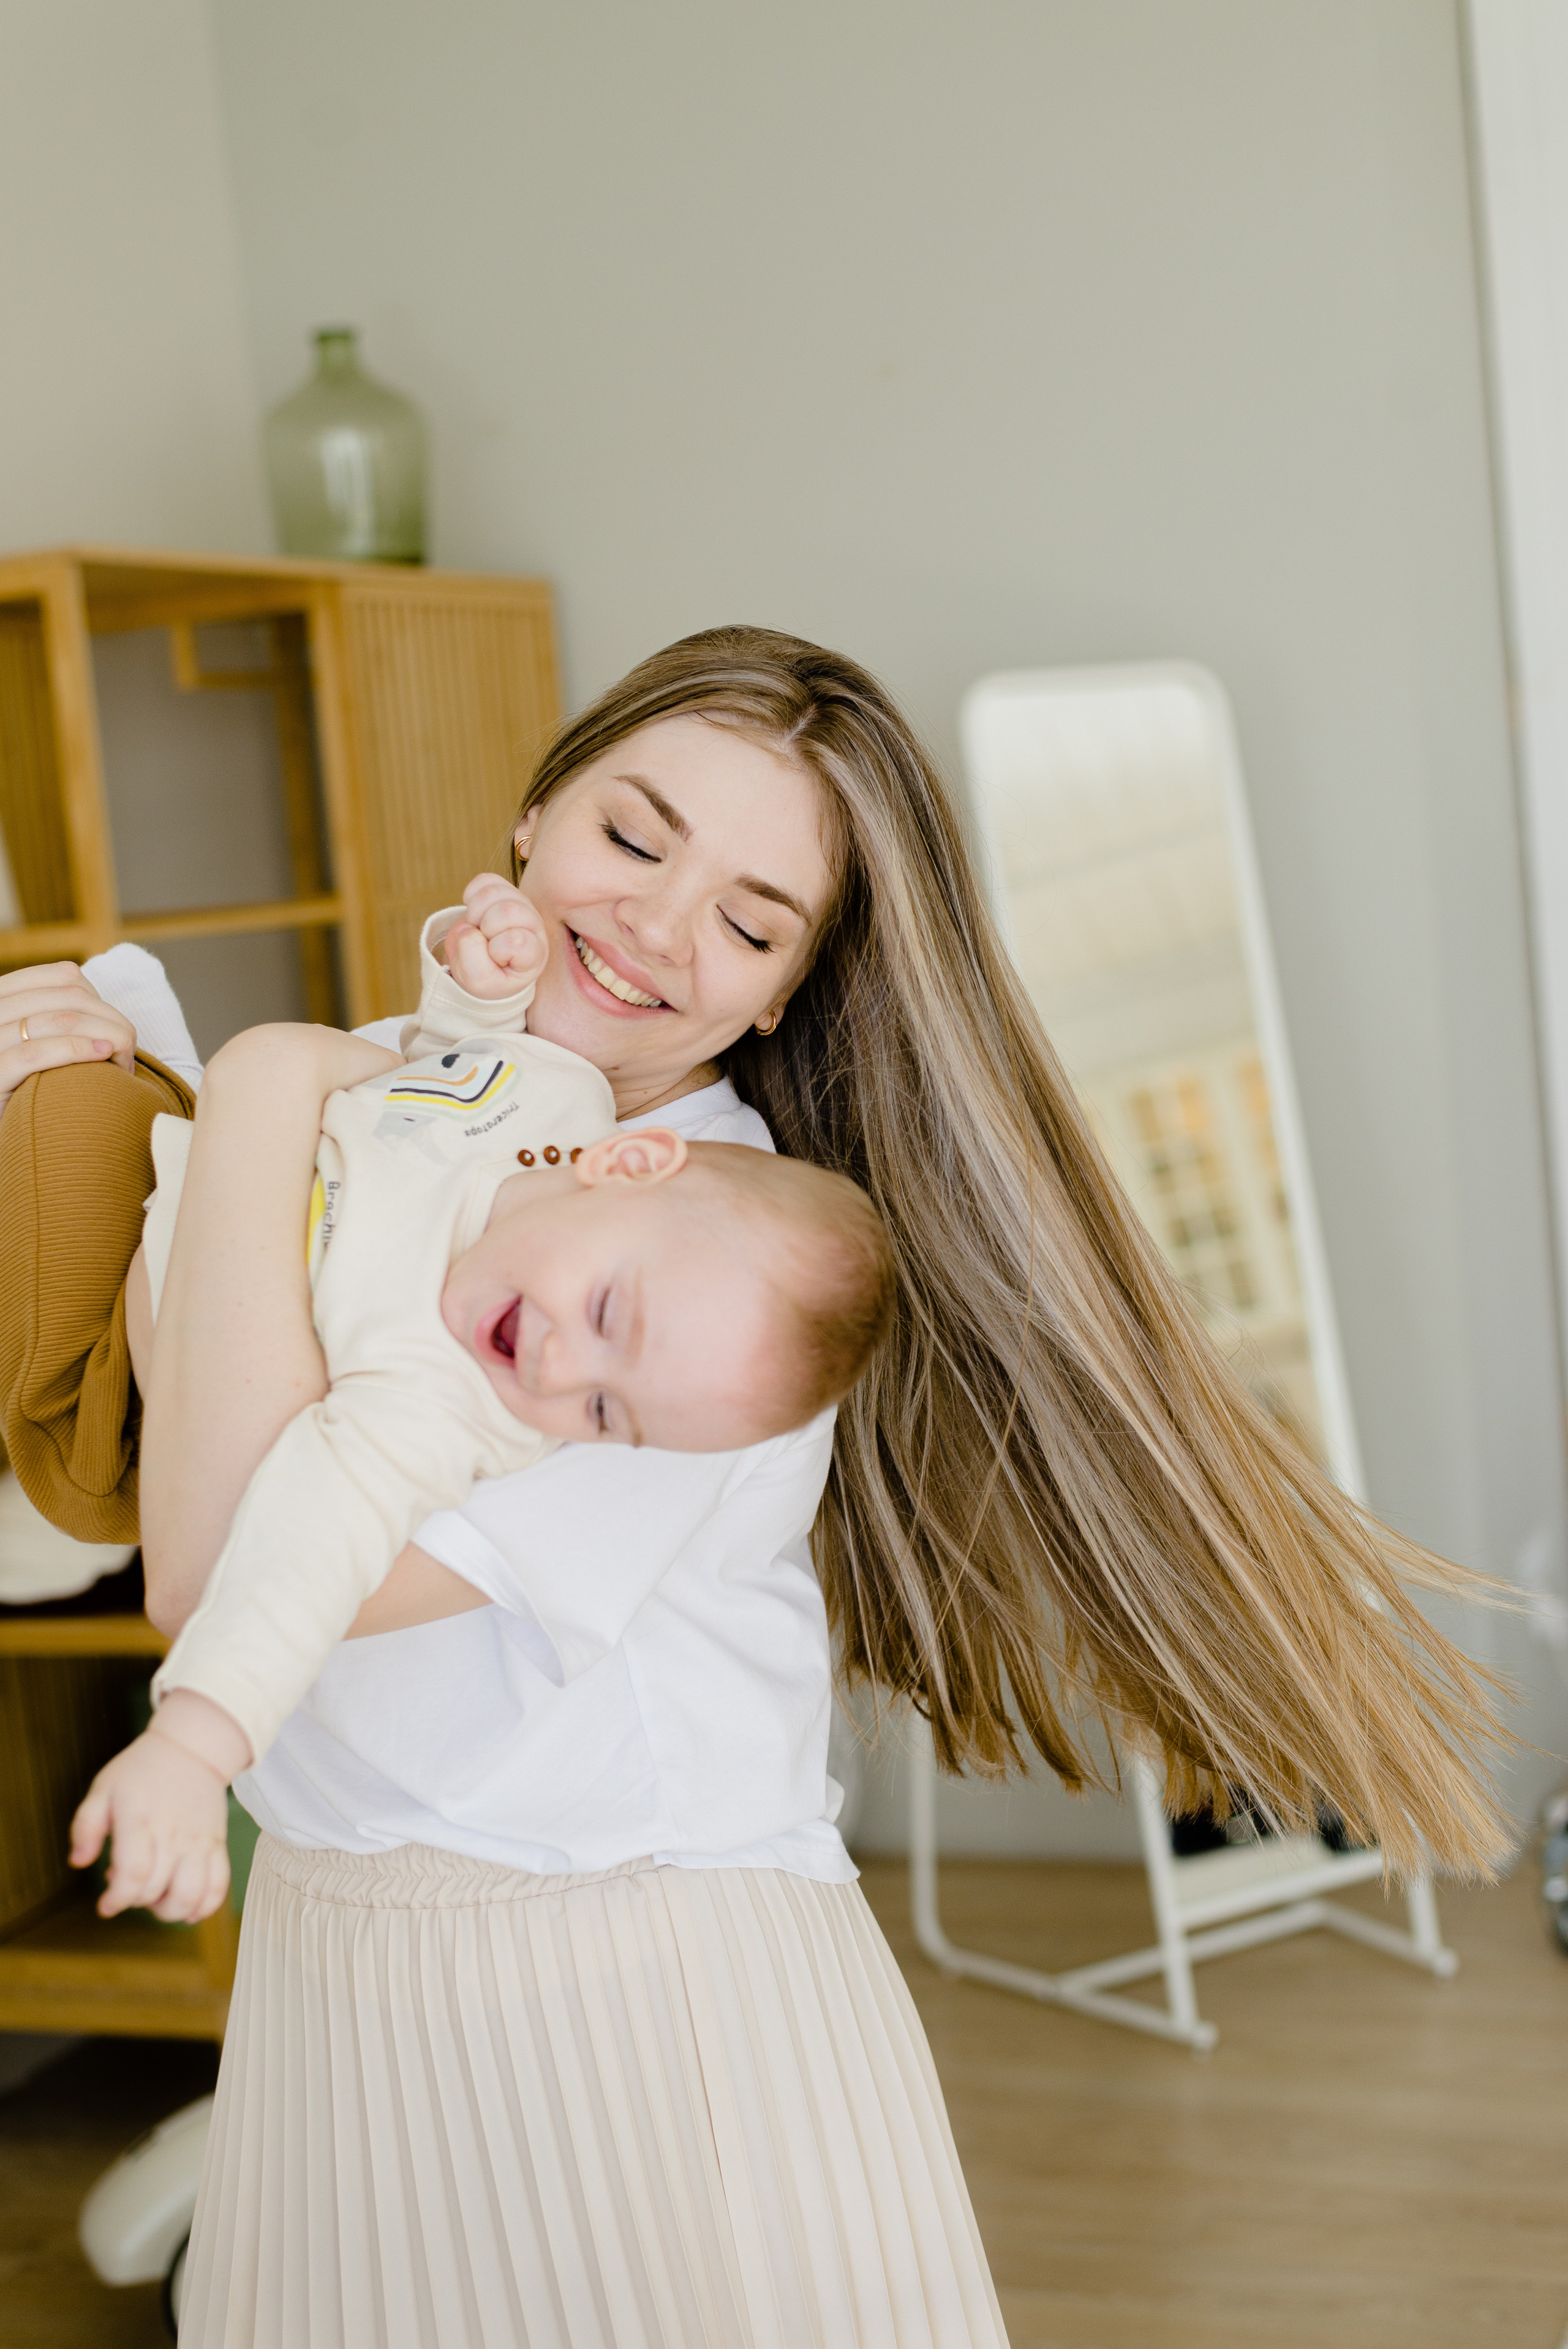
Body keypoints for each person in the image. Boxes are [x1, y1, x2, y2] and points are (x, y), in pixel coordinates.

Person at [0, 626, 1508, 2348]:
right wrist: (96, 1110)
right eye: (636, 839)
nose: (654, 924)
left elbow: (214, 1559)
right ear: (533, 815)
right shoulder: (426, 1084)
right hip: (338, 1958)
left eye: (750, 916)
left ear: (787, 988)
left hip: (622, 2002)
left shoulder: (702, 1306)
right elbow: (137, 1418)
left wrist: (255, 1088)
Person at [61, 877, 892, 1927]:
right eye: (603, 1311)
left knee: (57, 1124)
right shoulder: (558, 1101)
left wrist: (190, 1746)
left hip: (110, 1336)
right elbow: (443, 1072)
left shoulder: (441, 1404)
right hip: (186, 1150)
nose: (556, 1368)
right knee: (72, 1026)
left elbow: (299, 1562)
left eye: (602, 1416)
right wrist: (479, 981)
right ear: (623, 1164)